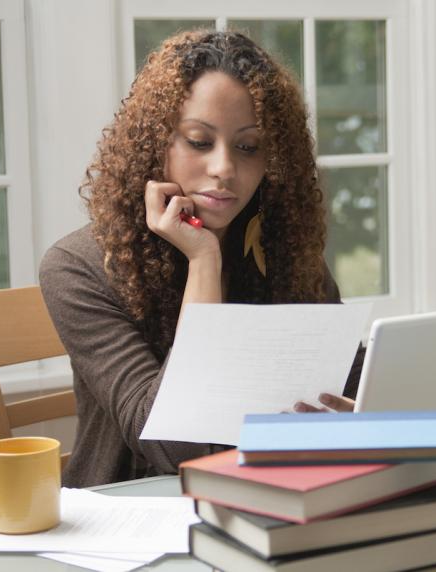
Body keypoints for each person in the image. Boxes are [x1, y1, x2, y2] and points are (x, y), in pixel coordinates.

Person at [39, 30, 363, 488]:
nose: (224, 168)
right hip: (131, 512)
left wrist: (357, 411)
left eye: (248, 146)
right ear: (155, 144)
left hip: (268, 494)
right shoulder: (77, 267)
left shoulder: (283, 247)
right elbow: (174, 446)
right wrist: (204, 263)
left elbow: (350, 379)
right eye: (198, 141)